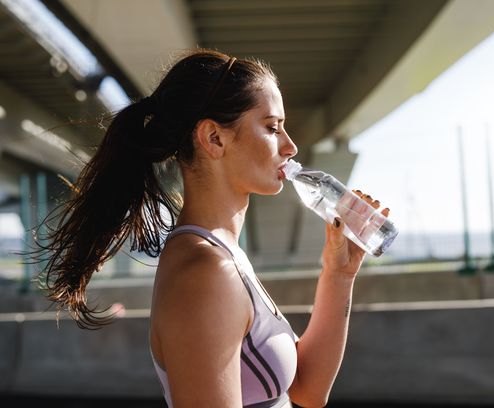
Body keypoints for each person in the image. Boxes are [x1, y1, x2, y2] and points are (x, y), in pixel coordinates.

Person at [38, 49, 389, 407]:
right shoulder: (207, 273)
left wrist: (339, 273)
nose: (291, 146)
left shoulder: (224, 256)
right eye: (271, 127)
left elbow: (307, 389)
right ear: (214, 138)